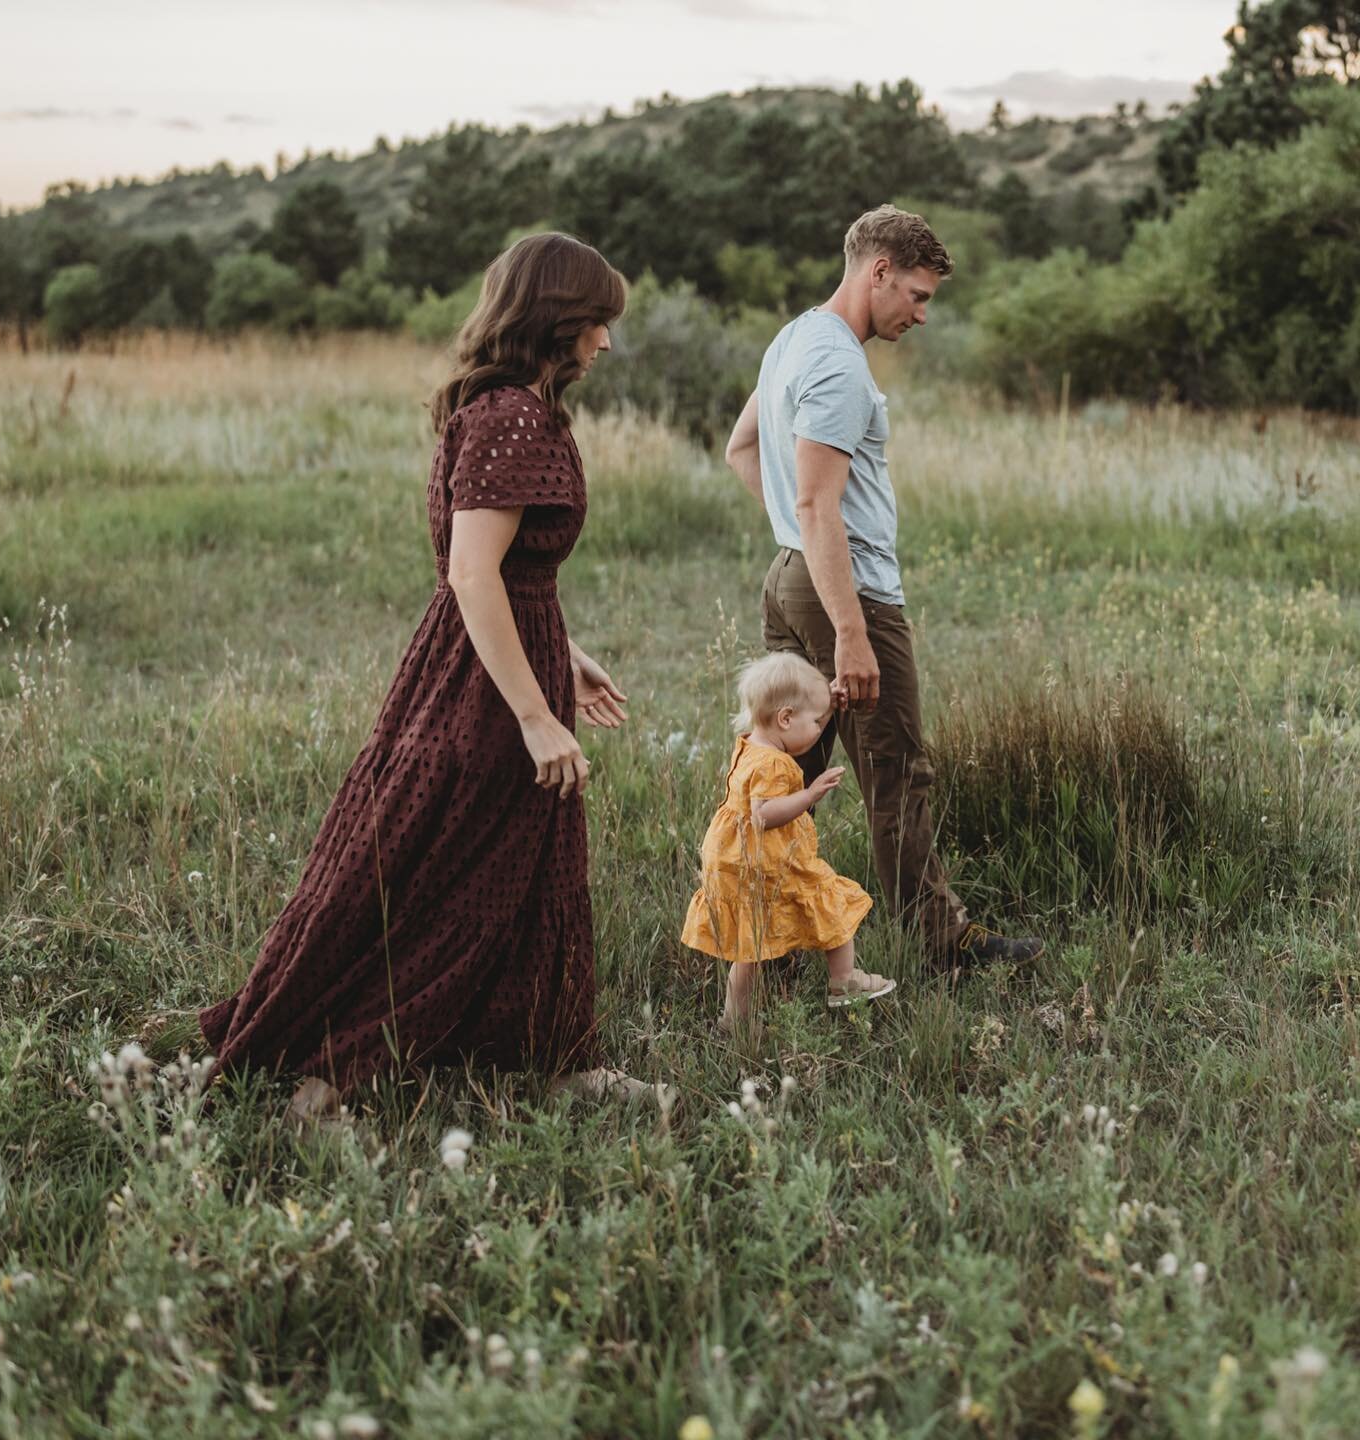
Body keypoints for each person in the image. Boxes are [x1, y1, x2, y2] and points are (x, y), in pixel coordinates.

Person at [199, 232, 661, 1126]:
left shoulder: (513, 407)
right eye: (598, 323)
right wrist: (533, 712)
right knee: (448, 881)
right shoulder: (510, 418)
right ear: (557, 321)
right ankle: (325, 1080)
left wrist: (562, 654)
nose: (607, 343)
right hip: (479, 689)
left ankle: (560, 1058)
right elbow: (469, 574)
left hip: (500, 653)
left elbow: (504, 572)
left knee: (533, 869)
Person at [724, 205, 1043, 970]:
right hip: (849, 592)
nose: (923, 315)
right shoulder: (836, 363)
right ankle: (942, 942)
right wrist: (852, 628)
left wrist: (800, 546)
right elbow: (814, 501)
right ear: (879, 273)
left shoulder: (792, 339)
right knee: (897, 768)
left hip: (793, 576)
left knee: (778, 769)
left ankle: (752, 936)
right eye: (918, 295)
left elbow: (743, 448)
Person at [682, 652, 897, 1032]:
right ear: (785, 718)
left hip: (738, 859)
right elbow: (764, 814)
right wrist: (810, 794)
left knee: (750, 950)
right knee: (831, 899)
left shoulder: (750, 745)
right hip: (767, 860)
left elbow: (800, 728)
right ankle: (843, 979)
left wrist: (825, 703)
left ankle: (735, 1019)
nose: (819, 729)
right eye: (816, 722)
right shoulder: (775, 765)